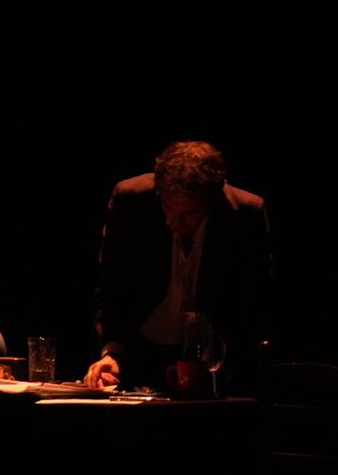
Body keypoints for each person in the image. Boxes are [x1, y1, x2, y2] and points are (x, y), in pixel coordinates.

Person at [83, 139, 271, 392]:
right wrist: (113, 352)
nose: (175, 222)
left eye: (190, 214)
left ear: (211, 201)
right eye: (169, 208)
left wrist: (227, 363)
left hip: (213, 360)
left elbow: (253, 301)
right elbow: (111, 286)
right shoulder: (131, 201)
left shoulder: (244, 214)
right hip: (141, 350)